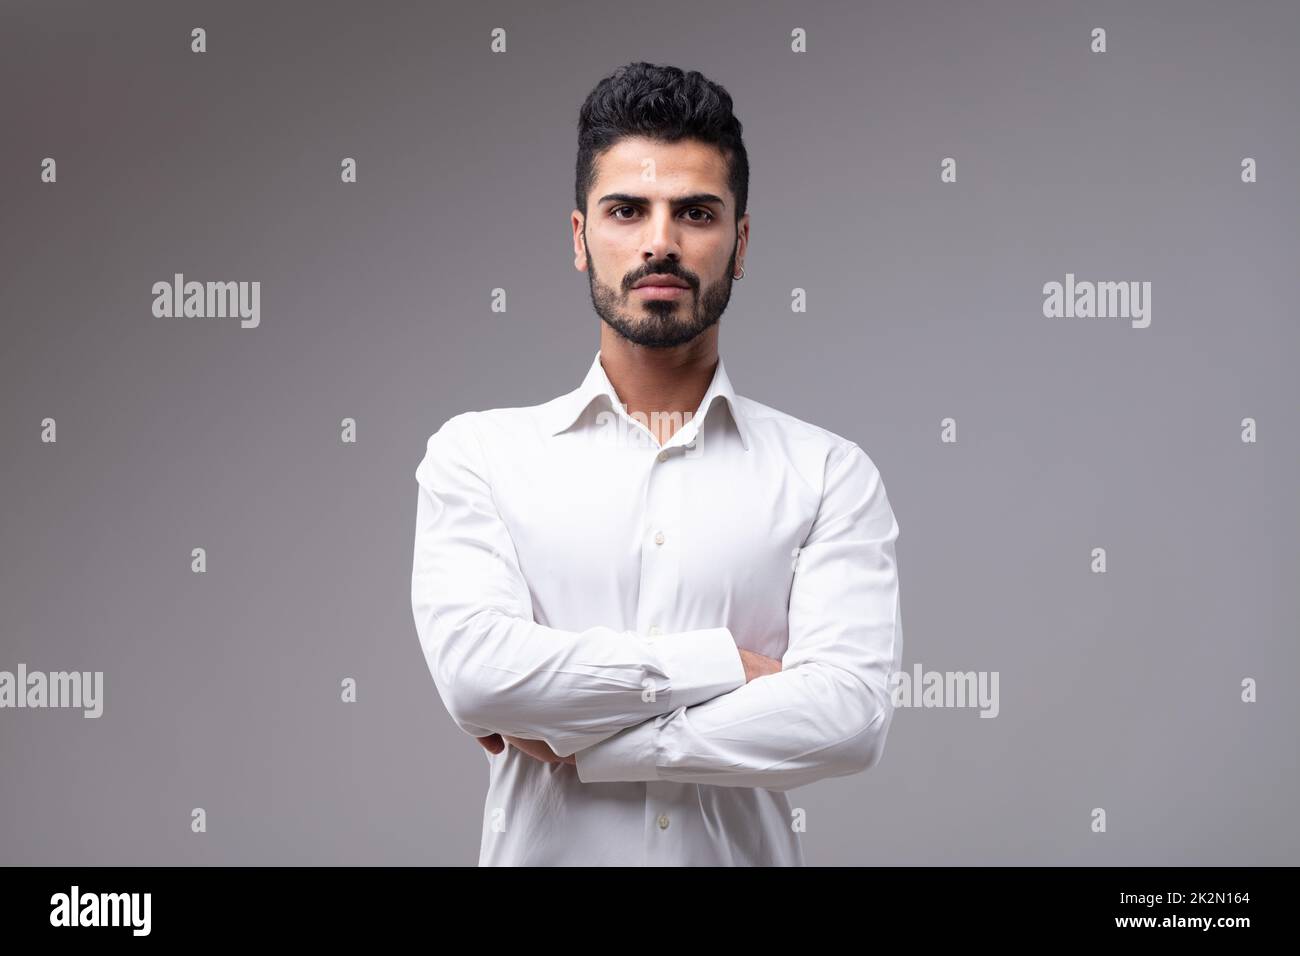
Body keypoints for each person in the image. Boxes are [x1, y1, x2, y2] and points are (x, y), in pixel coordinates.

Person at [410, 61, 903, 865]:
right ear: (581, 239)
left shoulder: (828, 475)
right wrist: (720, 667)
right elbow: (477, 676)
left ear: (739, 244)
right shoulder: (480, 456)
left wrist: (594, 743)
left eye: (696, 212)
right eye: (627, 209)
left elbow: (848, 717)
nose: (660, 242)